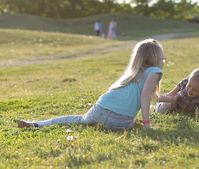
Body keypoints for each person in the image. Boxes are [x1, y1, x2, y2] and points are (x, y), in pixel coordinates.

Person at [18, 39, 170, 130]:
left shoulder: (133, 72)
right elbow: (146, 96)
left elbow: (153, 96)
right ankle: (130, 123)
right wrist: (147, 125)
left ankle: (36, 124)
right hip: (119, 120)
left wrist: (172, 99)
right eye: (163, 59)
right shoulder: (155, 71)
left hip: (100, 108)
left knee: (79, 119)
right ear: (156, 59)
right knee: (132, 122)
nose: (163, 62)